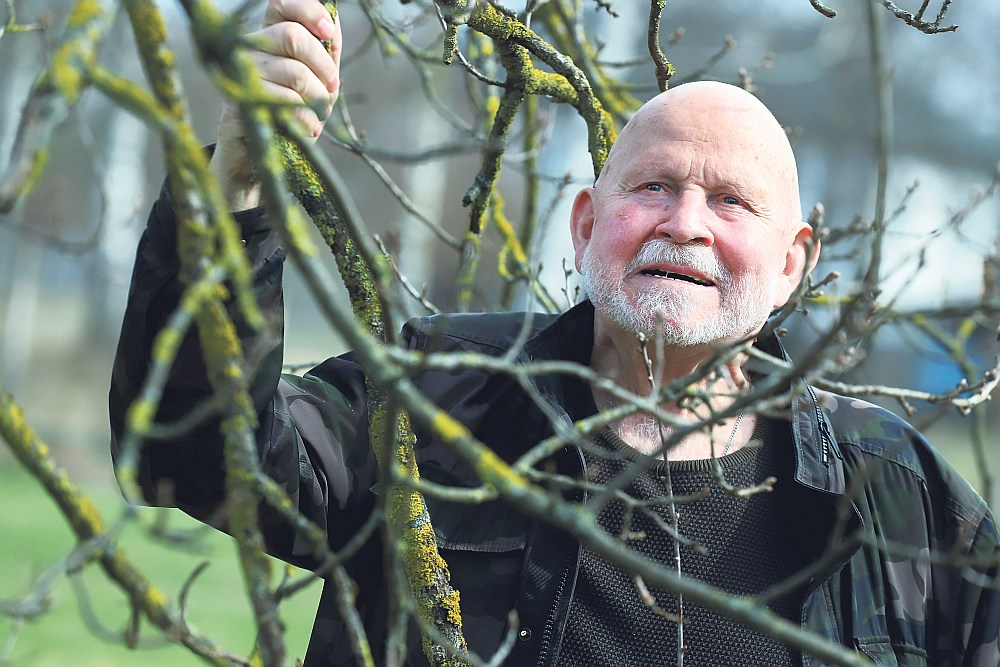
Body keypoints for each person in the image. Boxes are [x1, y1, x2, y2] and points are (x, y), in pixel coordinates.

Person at [109, 1, 1000, 665]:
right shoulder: (437, 396)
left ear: (793, 264)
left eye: (730, 200)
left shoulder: (886, 485)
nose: (684, 224)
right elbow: (187, 448)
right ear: (583, 226)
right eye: (652, 187)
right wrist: (234, 185)